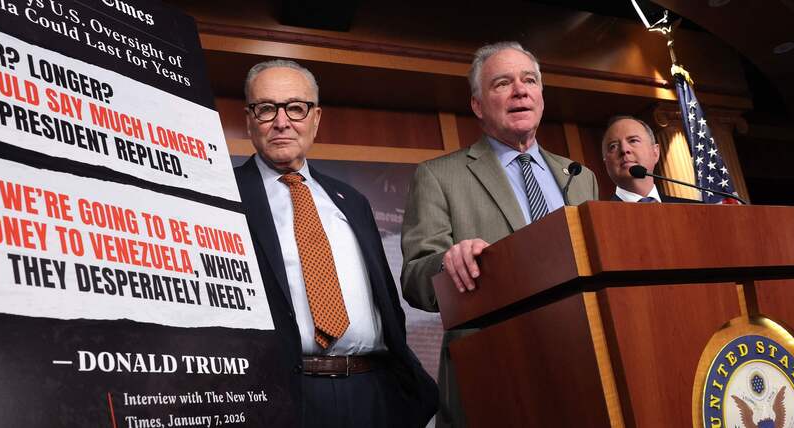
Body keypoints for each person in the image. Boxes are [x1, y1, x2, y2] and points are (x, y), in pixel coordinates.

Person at [400, 41, 599, 427]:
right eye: (502, 83)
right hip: (493, 376)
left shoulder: (580, 177)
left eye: (529, 81)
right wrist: (448, 261)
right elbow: (415, 281)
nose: (520, 90)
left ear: (541, 95)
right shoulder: (439, 176)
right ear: (477, 105)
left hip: (581, 363)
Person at [234, 59, 437, 428]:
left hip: (374, 393)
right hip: (280, 397)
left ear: (315, 118)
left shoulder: (351, 200)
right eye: (266, 108)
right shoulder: (221, 195)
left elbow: (385, 301)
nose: (282, 122)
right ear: (249, 120)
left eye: (296, 107)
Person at [601, 115, 698, 203]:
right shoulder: (597, 218)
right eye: (613, 146)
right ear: (605, 161)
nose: (624, 149)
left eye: (633, 140)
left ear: (655, 152)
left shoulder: (696, 210)